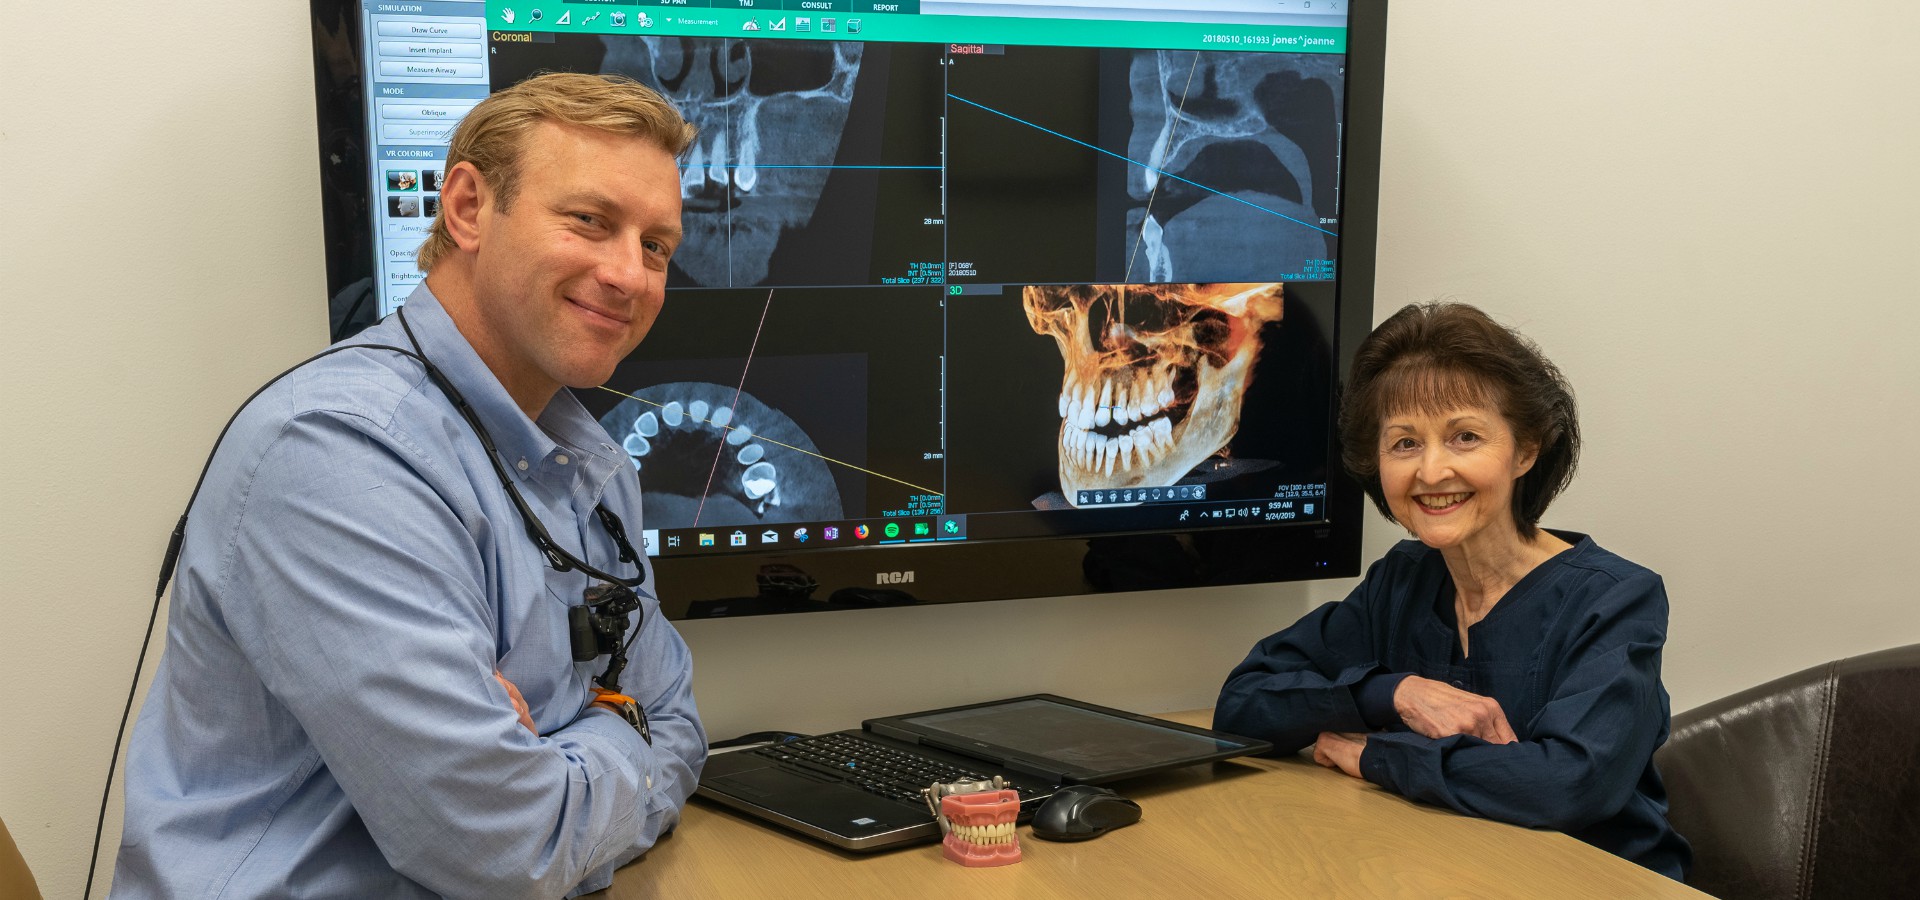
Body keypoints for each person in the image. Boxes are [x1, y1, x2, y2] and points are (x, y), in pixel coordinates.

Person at [113, 73, 706, 897]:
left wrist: (569, 753)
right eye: (589, 221)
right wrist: (616, 728)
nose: (630, 275)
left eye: (656, 246)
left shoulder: (588, 463)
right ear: (466, 208)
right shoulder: (336, 454)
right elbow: (507, 848)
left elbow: (678, 715)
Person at [1214, 302, 1692, 880]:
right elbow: (1242, 706)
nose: (1432, 471)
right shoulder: (1403, 579)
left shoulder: (1618, 600)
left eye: (1465, 437)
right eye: (1405, 443)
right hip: (1450, 874)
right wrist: (1395, 694)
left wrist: (1376, 755)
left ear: (1526, 449)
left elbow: (1569, 786)